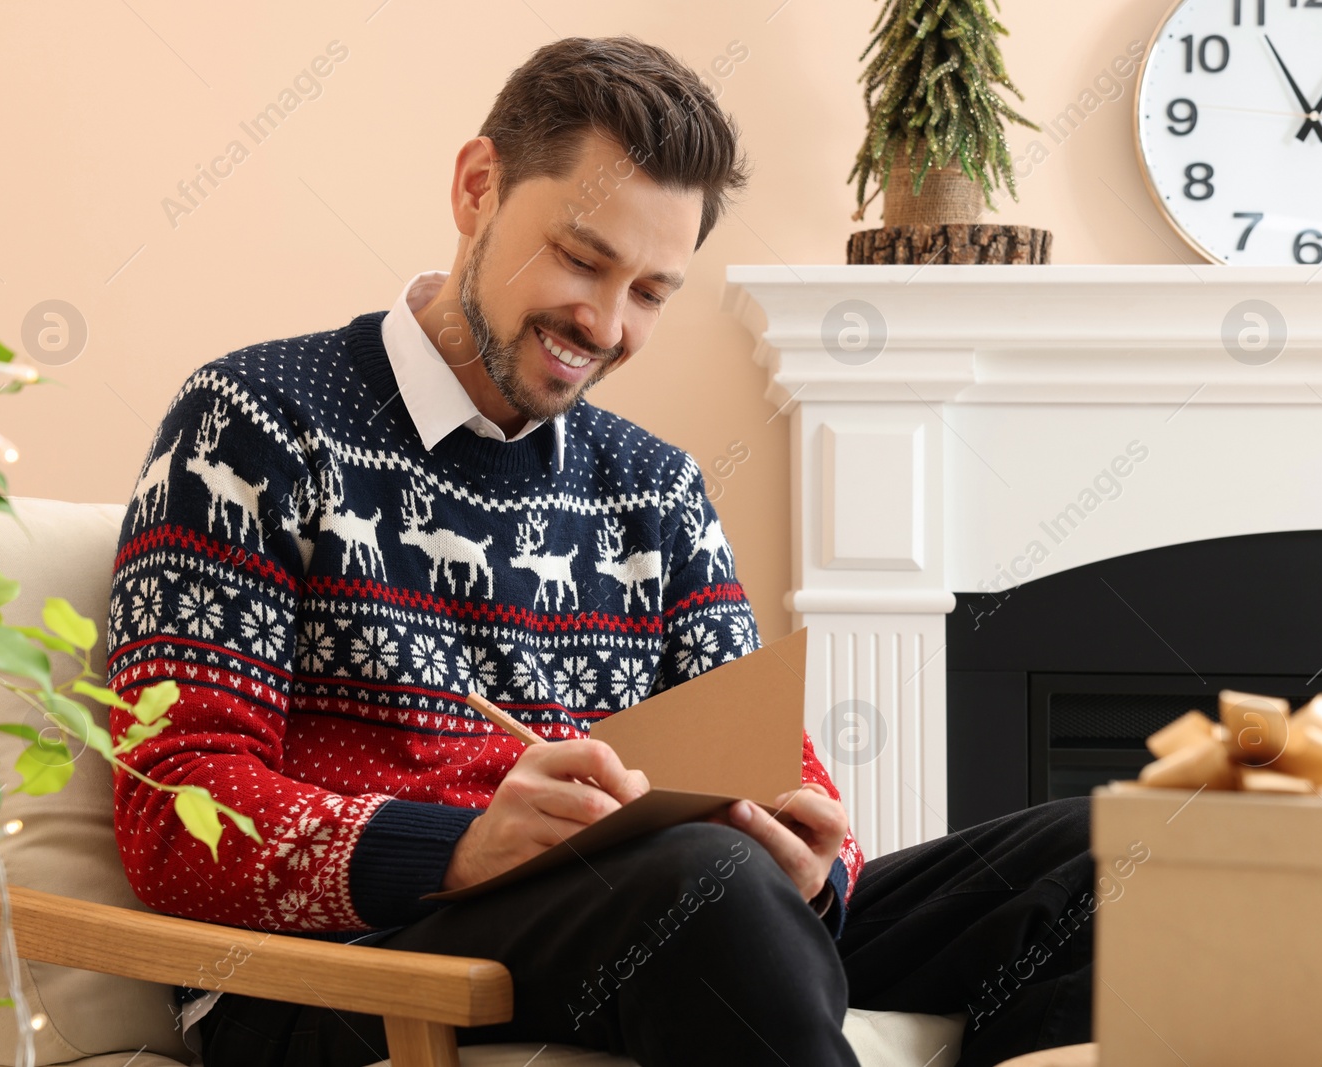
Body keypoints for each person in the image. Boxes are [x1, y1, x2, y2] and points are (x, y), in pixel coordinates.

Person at [106, 35, 1094, 1067]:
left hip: (672, 906)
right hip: (351, 963)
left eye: (652, 291)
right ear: (478, 186)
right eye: (581, 259)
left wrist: (817, 860)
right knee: (703, 879)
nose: (604, 323)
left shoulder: (654, 483)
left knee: (1101, 854)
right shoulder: (253, 421)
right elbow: (175, 811)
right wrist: (463, 846)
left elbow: (768, 758)